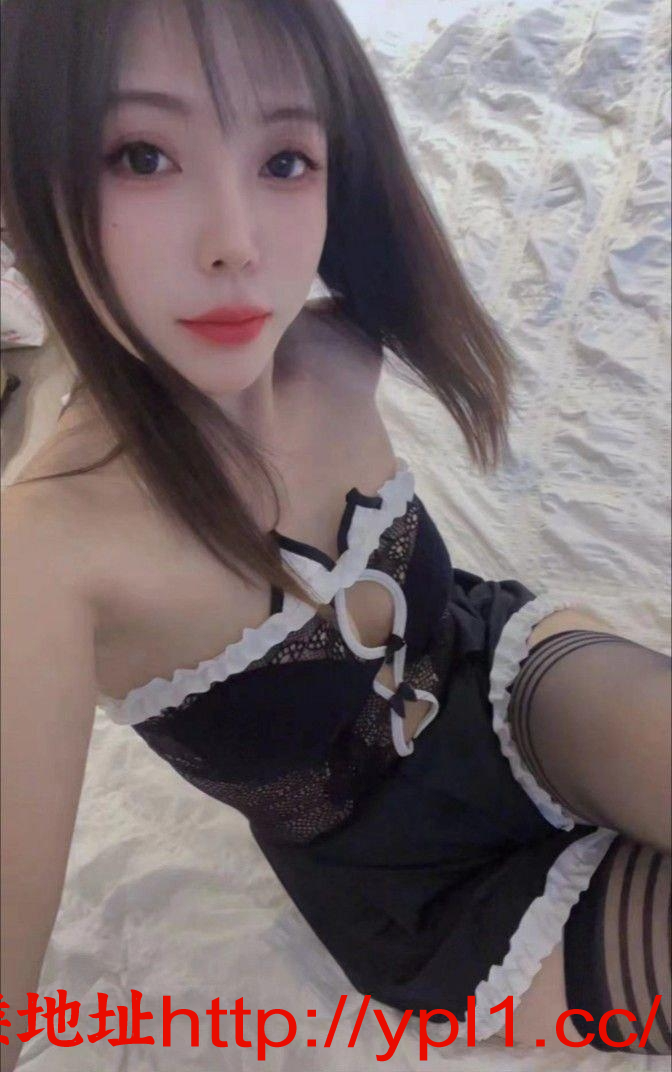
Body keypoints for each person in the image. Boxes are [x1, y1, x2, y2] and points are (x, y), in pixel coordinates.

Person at [1, 1, 669, 1068]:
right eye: (142, 155)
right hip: (419, 896)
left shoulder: (337, 349)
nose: (235, 244)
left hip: (503, 677)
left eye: (285, 160)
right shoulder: (46, 552)